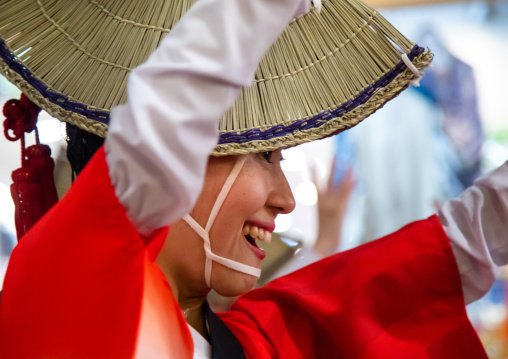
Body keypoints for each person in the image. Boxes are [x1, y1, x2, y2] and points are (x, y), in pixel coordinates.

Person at [0, 0, 505, 358]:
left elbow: (420, 267)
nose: (286, 199)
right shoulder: (71, 291)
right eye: (265, 156)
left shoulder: (254, 340)